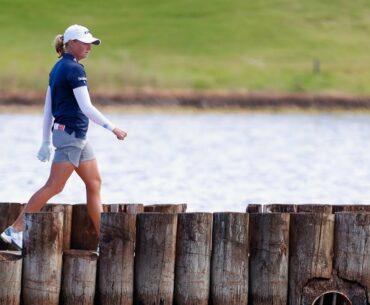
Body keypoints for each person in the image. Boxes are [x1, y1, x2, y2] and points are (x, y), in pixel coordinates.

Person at [0, 24, 127, 250]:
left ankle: (103, 241)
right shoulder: (74, 70)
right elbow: (86, 107)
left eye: (91, 43)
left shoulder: (58, 68)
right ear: (71, 44)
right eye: (84, 43)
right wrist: (113, 127)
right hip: (70, 136)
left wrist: (46, 140)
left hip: (74, 136)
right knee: (54, 186)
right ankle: (15, 230)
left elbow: (48, 108)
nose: (89, 47)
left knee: (94, 183)